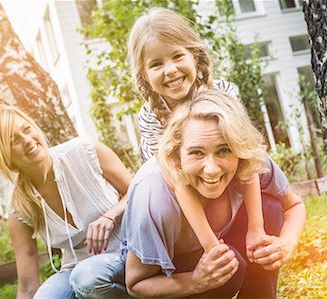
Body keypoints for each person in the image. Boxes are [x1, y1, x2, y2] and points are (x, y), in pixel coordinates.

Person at [122, 89, 306, 298]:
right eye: (196, 152)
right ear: (176, 153)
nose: (211, 169)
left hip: (216, 246)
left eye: (224, 150)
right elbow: (135, 284)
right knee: (227, 270)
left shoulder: (250, 160)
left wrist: (285, 244)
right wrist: (195, 281)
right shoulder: (155, 199)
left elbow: (294, 205)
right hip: (171, 269)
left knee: (270, 208)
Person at [128, 7, 265, 259]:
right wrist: (212, 247)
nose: (170, 70)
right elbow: (178, 183)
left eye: (178, 56)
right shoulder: (150, 117)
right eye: (156, 64)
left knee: (268, 186)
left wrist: (256, 229)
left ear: (195, 55)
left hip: (225, 183)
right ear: (144, 76)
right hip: (183, 200)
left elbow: (247, 160)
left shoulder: (224, 93)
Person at [0, 105, 132, 299]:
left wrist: (110, 216)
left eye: (26, 130)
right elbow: (27, 286)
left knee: (86, 279)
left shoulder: (85, 151)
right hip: (76, 267)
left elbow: (136, 192)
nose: (27, 141)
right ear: (3, 155)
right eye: (13, 141)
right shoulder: (20, 209)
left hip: (127, 250)